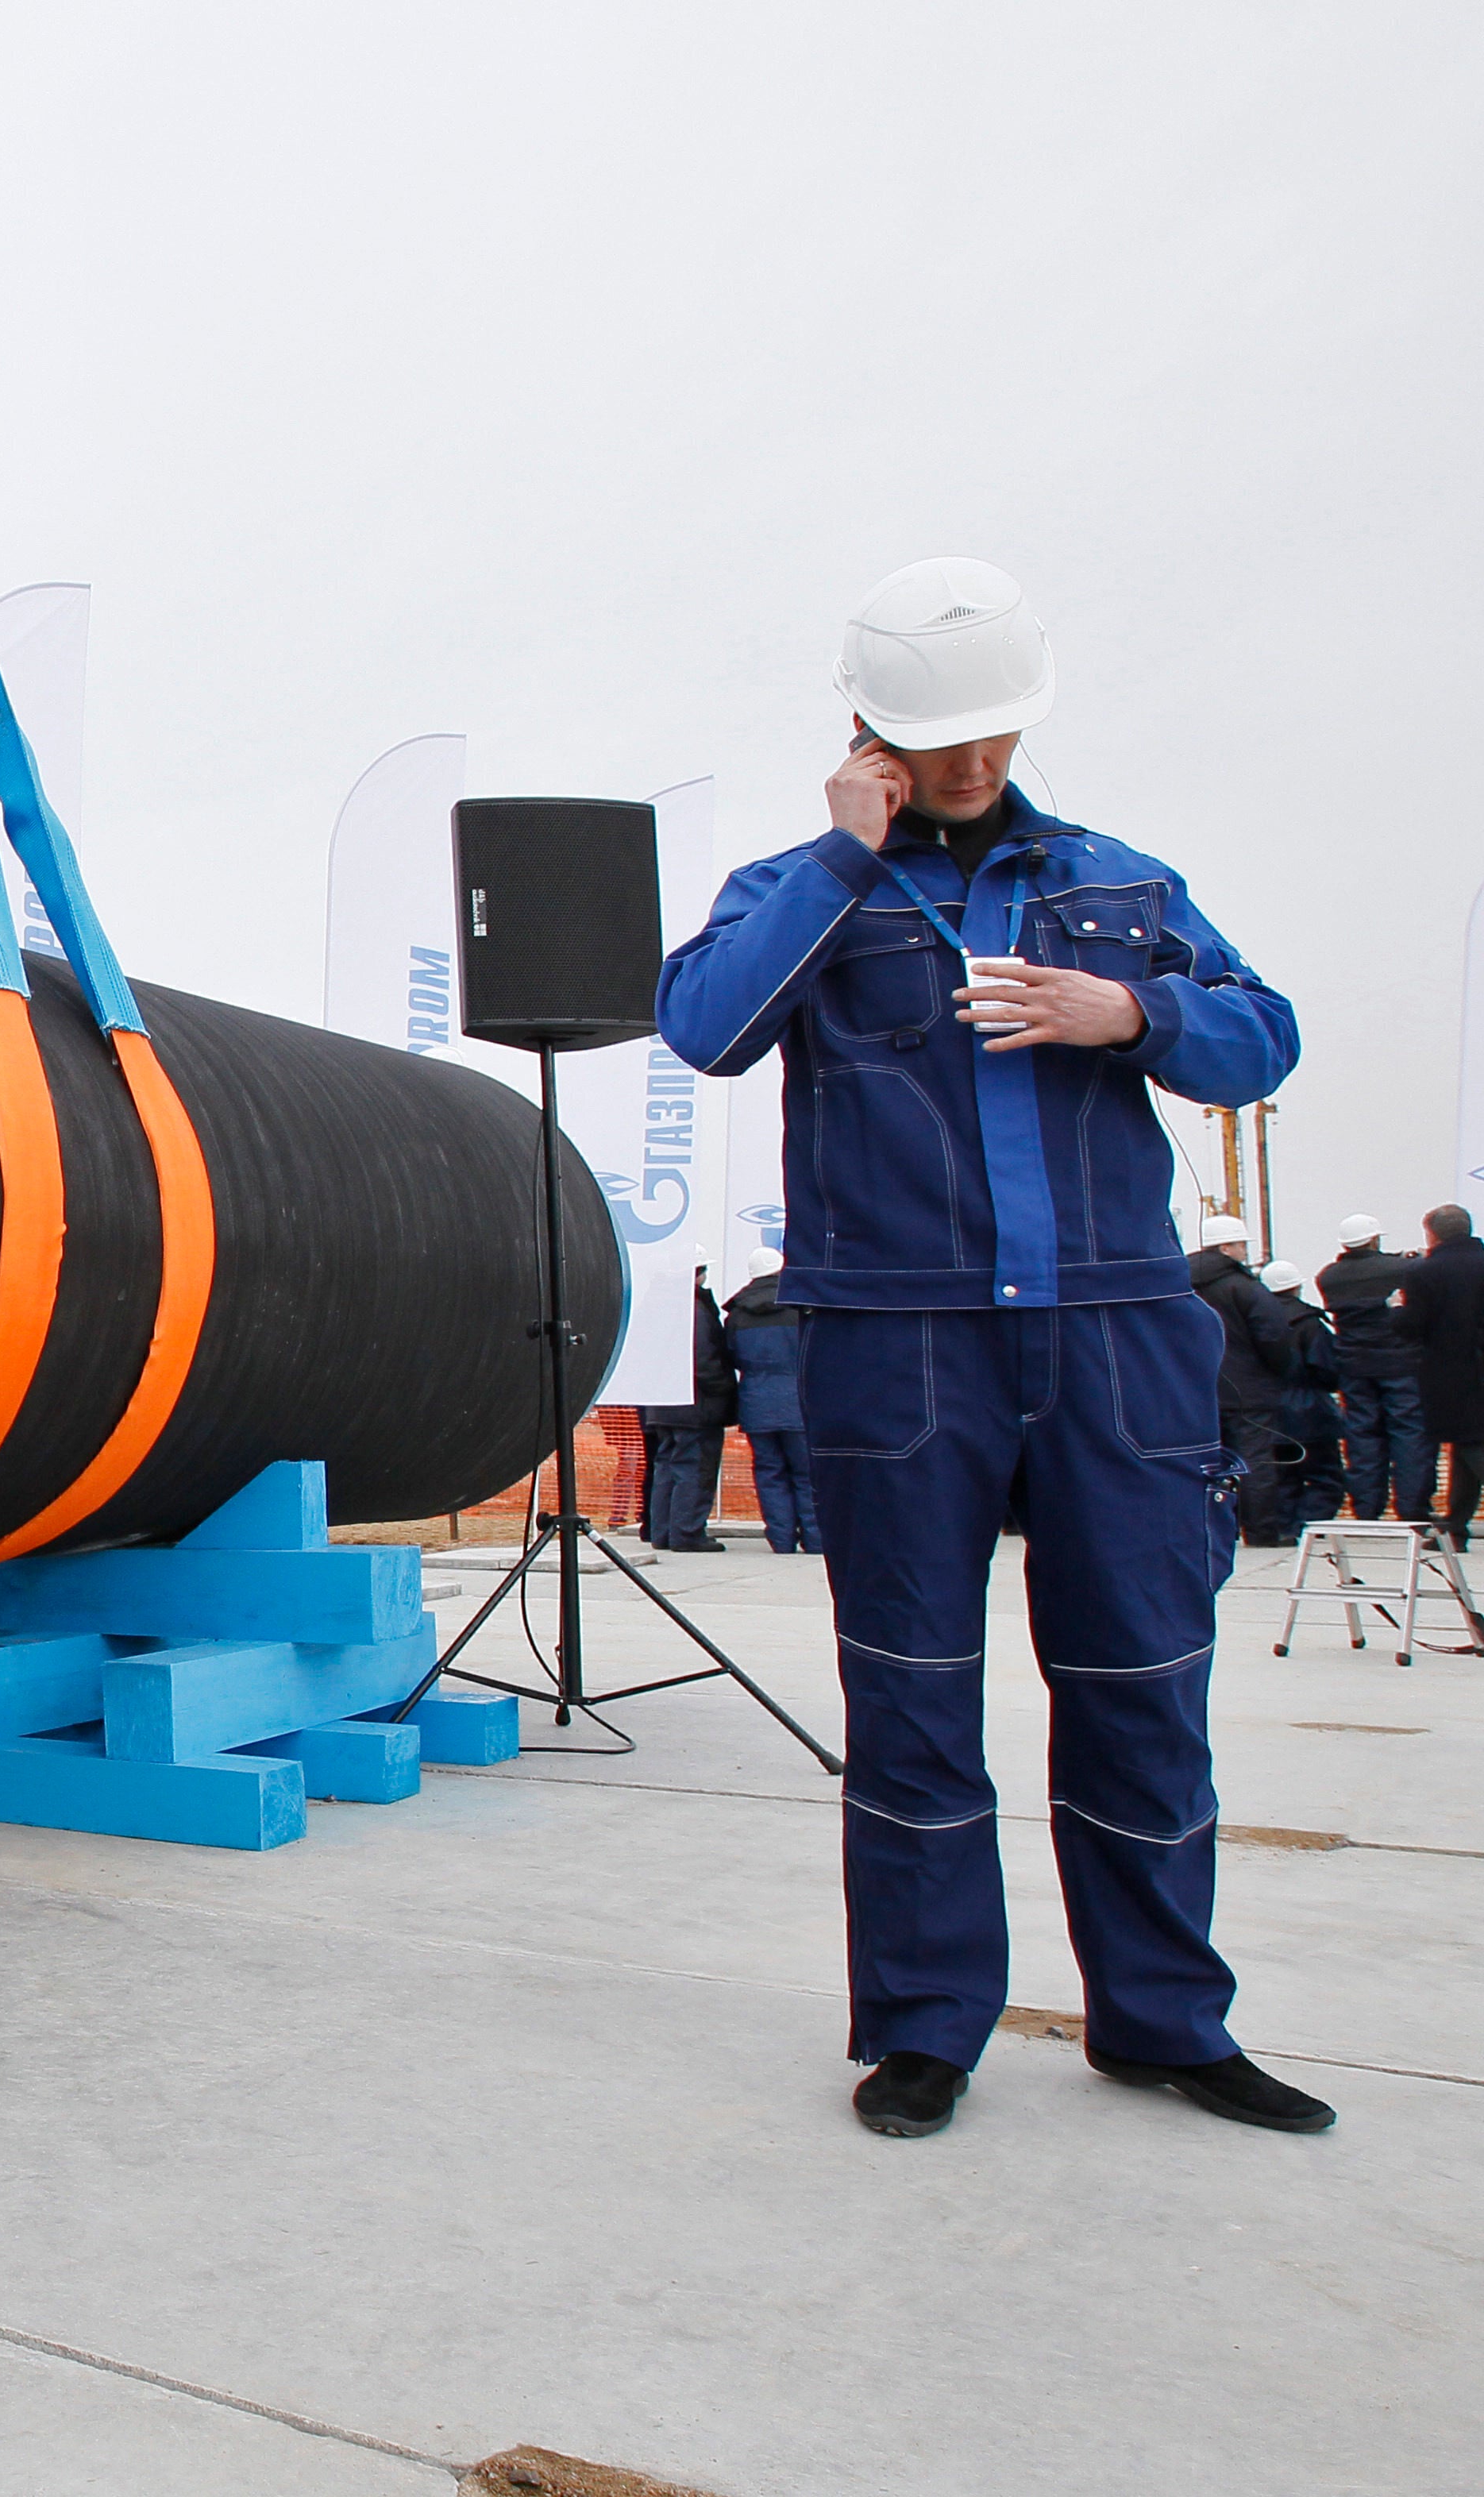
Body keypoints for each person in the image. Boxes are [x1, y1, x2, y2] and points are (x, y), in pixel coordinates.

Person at [659, 556, 1331, 2139]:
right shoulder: (800, 885)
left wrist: (1131, 1019)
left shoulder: (1125, 889)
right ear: (869, 728)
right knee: (911, 1690)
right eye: (939, 742)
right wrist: (845, 852)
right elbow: (707, 1027)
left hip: (1116, 1337)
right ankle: (924, 2024)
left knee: (1142, 1683)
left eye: (992, 740)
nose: (971, 769)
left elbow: (1266, 1037)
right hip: (898, 1347)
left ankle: (1165, 2019)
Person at [1189, 1218, 1300, 1547]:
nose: (1244, 1251)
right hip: (1247, 1391)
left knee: (1201, 1463)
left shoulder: (1181, 1284)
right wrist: (1278, 1372)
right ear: (1226, 1248)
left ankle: (1207, 1529)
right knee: (1255, 1462)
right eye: (1241, 1245)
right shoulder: (1245, 1288)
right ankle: (1262, 1531)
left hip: (1194, 1390)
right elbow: (1274, 1337)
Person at [1317, 1214, 1433, 1520]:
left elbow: (1367, 1273)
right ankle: (1412, 1510)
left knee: (1362, 1436)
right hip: (1401, 1364)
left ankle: (1366, 1509)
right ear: (1374, 1239)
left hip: (1353, 1367)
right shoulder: (1405, 1270)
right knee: (1409, 1434)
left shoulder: (1329, 1276)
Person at [723, 1246, 815, 1552]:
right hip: (799, 1404)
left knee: (769, 1472)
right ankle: (815, 1539)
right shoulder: (800, 1309)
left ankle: (781, 1539)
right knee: (806, 1474)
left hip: (756, 1404)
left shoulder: (736, 1315)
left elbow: (732, 1357)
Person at [637, 1259, 734, 1551]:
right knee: (693, 1468)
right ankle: (687, 1533)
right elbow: (704, 1359)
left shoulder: (654, 1307)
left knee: (667, 1466)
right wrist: (725, 1389)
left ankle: (663, 1533)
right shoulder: (694, 1311)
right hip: (694, 1405)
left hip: (661, 1403)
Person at [1253, 1260, 1348, 1533]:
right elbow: (1327, 1369)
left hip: (1266, 1414)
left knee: (1283, 1477)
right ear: (1297, 1287)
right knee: (1324, 1476)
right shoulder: (1309, 1324)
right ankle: (1308, 1527)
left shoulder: (1253, 1323)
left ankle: (1285, 1528)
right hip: (1310, 1412)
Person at [1412, 1205, 1484, 1551]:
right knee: (1466, 1447)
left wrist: (1397, 1310)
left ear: (1433, 1234)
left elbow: (1413, 1325)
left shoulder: (1427, 1272)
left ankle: (1455, 1527)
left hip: (1452, 1374)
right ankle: (1455, 1526)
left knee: (1470, 1445)